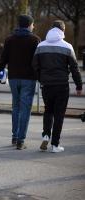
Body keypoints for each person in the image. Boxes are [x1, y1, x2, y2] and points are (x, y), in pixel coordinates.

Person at [32, 20, 83, 153]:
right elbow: (74, 68)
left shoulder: (41, 46)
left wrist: (41, 78)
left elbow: (35, 66)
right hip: (61, 85)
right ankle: (55, 145)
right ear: (62, 30)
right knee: (59, 115)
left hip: (46, 85)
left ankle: (46, 135)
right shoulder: (67, 46)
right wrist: (79, 85)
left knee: (48, 111)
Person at [0, 15, 41, 150]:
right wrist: (40, 75)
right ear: (29, 25)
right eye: (32, 24)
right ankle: (21, 140)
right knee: (25, 109)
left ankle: (14, 137)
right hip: (29, 78)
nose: (33, 27)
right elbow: (38, 60)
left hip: (14, 77)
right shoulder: (35, 40)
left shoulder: (10, 39)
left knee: (16, 107)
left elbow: (3, 58)